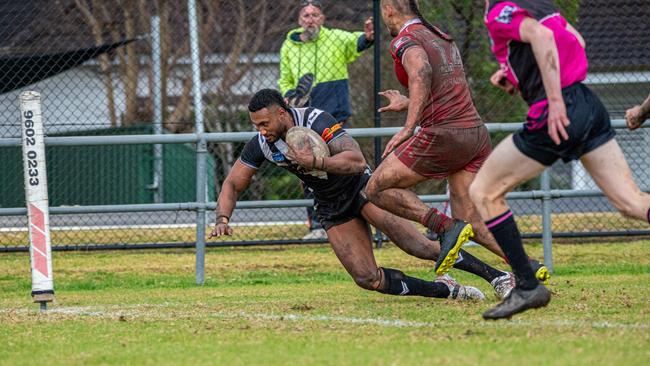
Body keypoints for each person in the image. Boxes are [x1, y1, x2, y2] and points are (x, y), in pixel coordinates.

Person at [209, 89, 518, 301]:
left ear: (281, 113)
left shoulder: (316, 119)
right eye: (256, 125)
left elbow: (356, 160)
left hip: (361, 188)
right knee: (367, 278)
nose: (261, 130)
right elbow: (233, 184)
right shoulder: (262, 143)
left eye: (264, 123)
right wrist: (223, 216)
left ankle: (499, 277)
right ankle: (446, 291)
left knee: (416, 244)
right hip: (330, 205)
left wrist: (315, 161)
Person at [470, 0, 650, 320]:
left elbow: (541, 37)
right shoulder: (540, 4)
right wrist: (519, 76)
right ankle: (526, 285)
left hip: (557, 111)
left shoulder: (498, 11)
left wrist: (553, 99)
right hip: (586, 103)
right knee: (632, 203)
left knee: (483, 192)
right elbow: (575, 41)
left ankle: (527, 285)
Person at [364, 0, 548, 280]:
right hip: (474, 134)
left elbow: (421, 71)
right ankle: (527, 265)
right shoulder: (440, 35)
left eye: (382, 13)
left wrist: (407, 128)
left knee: (376, 187)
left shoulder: (405, 39)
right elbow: (442, 86)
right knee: (472, 219)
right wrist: (409, 102)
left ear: (389, 9)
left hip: (444, 134)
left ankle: (443, 226)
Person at [278, 0, 375, 239]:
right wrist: (290, 96)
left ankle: (355, 217)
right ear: (300, 20)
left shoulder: (335, 38)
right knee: (308, 171)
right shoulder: (289, 47)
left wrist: (369, 37)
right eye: (306, 15)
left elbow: (357, 42)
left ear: (322, 19)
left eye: (315, 14)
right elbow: (284, 80)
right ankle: (317, 225)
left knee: (344, 168)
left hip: (335, 117)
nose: (310, 18)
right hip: (304, 120)